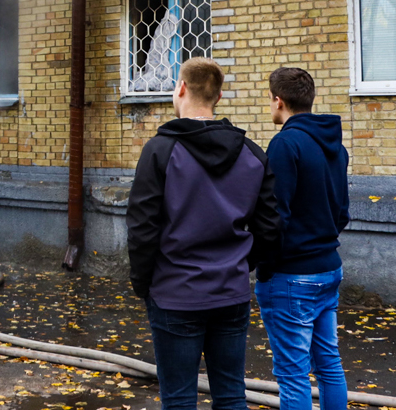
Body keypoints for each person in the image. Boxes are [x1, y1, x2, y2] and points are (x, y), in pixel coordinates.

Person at [127, 57, 280, 410]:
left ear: (180, 88)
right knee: (230, 395)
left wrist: (143, 282)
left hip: (174, 293)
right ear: (219, 96)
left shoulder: (160, 152)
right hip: (231, 292)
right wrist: (240, 265)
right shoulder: (253, 154)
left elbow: (142, 227)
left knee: (179, 398)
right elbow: (270, 227)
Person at [254, 67, 350, 410]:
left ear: (278, 101)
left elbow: (273, 217)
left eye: (269, 100)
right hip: (329, 269)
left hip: (292, 276)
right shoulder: (336, 147)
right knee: (329, 365)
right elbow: (342, 214)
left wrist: (264, 268)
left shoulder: (285, 143)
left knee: (293, 375)